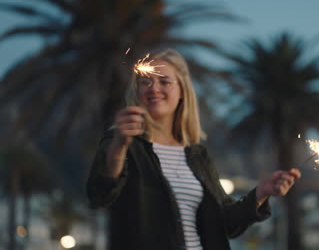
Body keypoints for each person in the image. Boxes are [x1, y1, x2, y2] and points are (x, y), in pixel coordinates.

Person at [86, 49, 301, 250]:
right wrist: (119, 146)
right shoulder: (121, 141)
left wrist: (261, 193)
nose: (154, 88)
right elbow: (100, 194)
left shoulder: (197, 155)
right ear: (137, 90)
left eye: (165, 82)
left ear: (181, 91)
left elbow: (226, 223)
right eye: (145, 82)